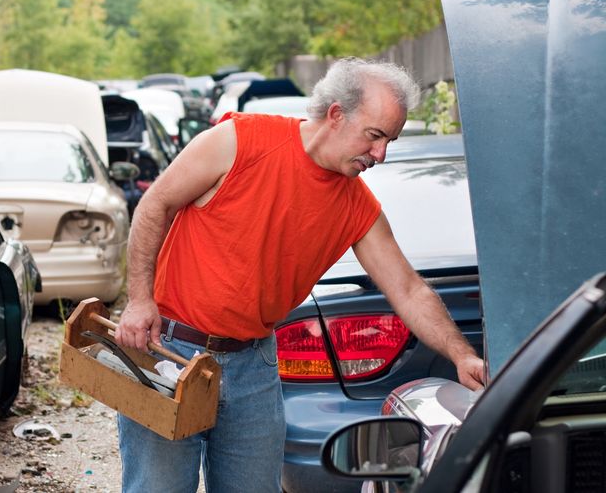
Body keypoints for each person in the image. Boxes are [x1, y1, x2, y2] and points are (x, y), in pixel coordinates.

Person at [114, 57, 485, 493]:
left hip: (255, 365)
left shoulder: (356, 206)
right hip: (169, 349)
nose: (381, 154)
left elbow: (408, 289)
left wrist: (462, 355)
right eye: (375, 135)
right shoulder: (239, 141)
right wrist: (140, 300)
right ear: (335, 114)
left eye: (390, 141)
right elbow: (155, 204)